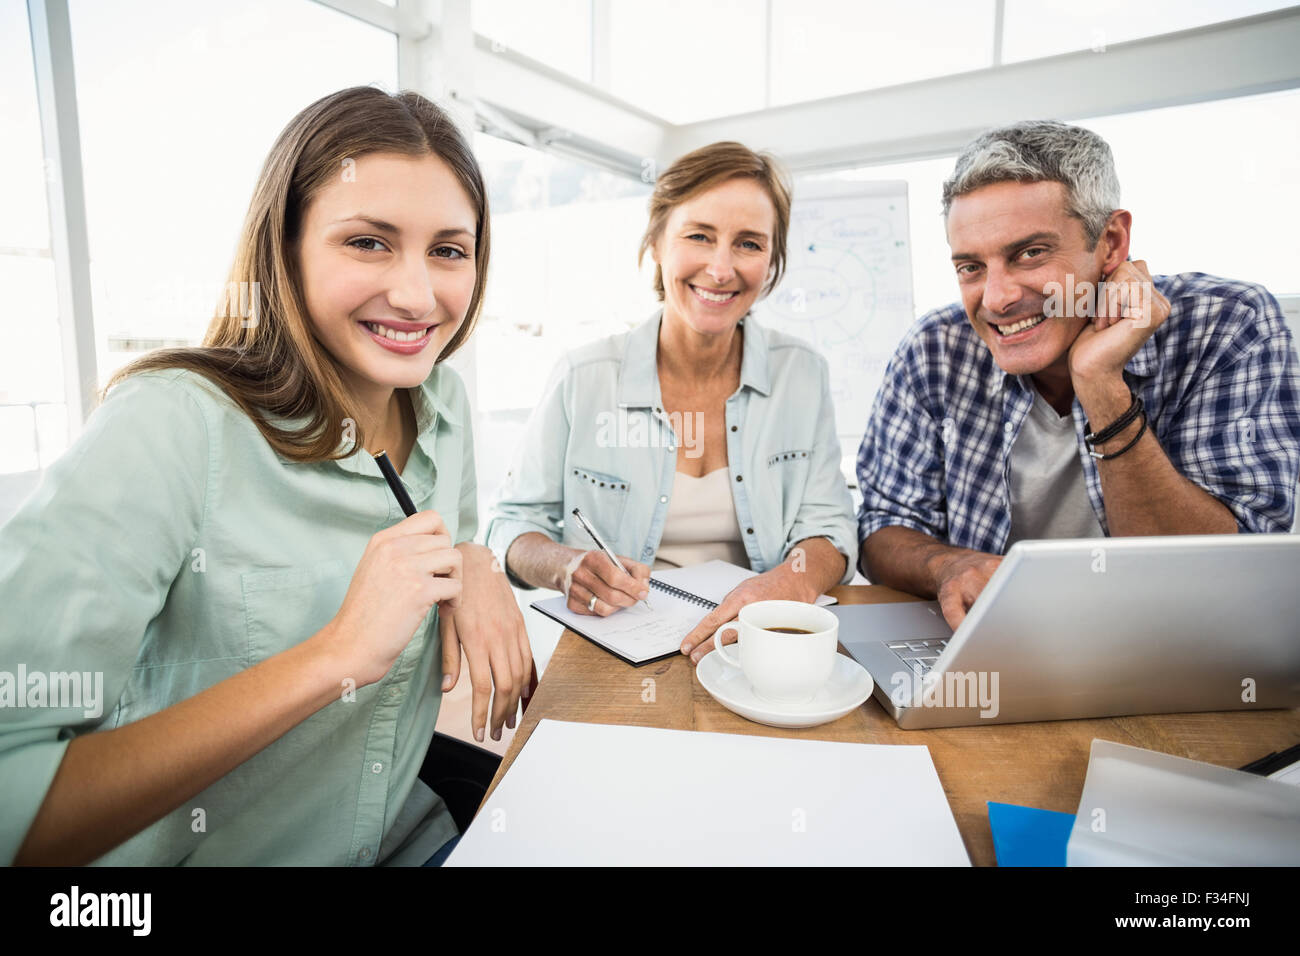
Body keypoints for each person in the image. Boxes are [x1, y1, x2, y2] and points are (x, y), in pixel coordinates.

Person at [0, 86, 532, 866]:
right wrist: (333, 656)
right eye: (368, 242)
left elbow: (452, 542)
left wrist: (478, 561)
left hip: (408, 838)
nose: (419, 295)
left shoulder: (442, 401)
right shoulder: (170, 427)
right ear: (282, 250)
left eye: (449, 250)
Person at [856, 119, 1300, 630]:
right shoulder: (935, 348)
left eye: (1029, 253)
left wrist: (1101, 384)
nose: (997, 298)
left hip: (1175, 646)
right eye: (971, 267)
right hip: (991, 646)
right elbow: (885, 527)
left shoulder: (1227, 325)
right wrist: (950, 565)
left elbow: (1231, 573)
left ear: (1111, 242)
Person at [487, 142, 858, 663]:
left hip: (751, 649)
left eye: (749, 244)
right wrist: (565, 566)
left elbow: (831, 527)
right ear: (657, 243)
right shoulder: (584, 377)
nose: (721, 268)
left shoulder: (802, 374)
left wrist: (789, 584)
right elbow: (511, 525)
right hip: (608, 654)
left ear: (773, 259)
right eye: (699, 236)